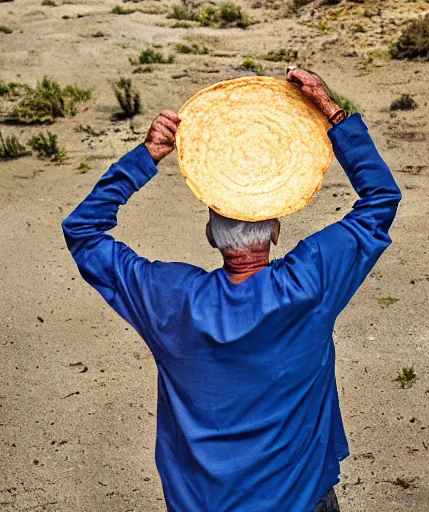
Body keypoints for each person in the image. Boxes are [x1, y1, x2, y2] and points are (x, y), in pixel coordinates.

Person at [62, 67, 401, 512]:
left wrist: (146, 155)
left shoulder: (170, 298)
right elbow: (380, 200)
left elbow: (84, 232)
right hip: (299, 501)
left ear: (211, 231)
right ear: (275, 229)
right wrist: (330, 108)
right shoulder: (310, 283)